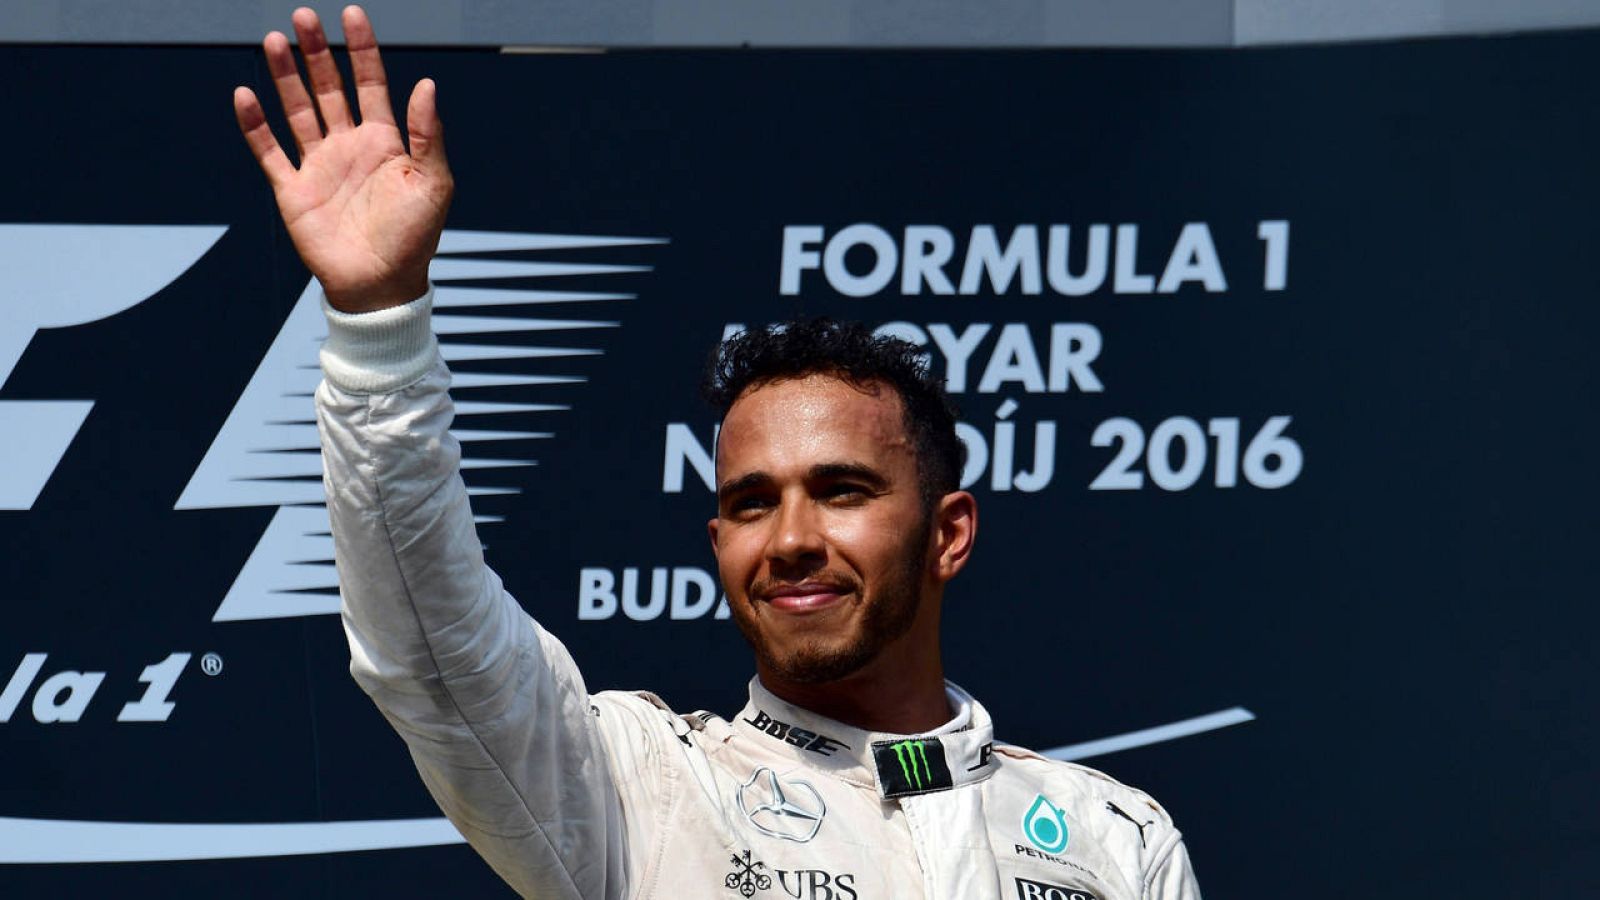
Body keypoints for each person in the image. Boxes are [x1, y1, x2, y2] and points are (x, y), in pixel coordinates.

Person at [234, 7, 1202, 899]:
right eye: (749, 502)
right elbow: (429, 648)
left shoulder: (1110, 837)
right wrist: (378, 325)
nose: (788, 538)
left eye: (841, 490)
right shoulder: (634, 787)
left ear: (947, 532)